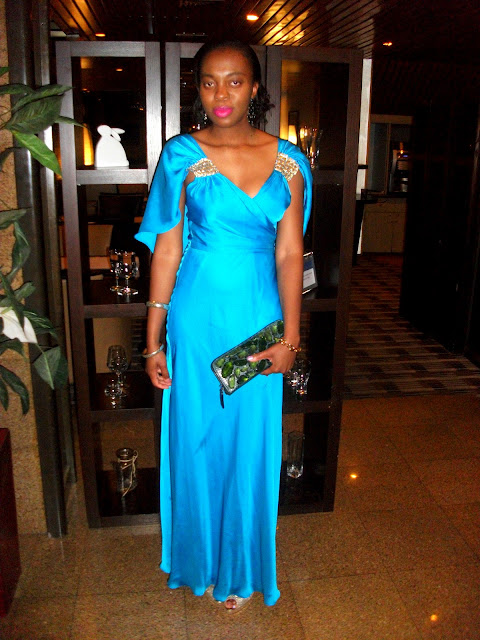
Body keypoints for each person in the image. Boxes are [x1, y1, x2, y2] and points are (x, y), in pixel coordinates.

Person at [135, 39, 312, 611]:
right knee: (196, 438)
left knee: (250, 443)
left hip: (258, 318)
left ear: (255, 88)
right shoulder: (181, 156)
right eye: (209, 81)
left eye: (235, 81)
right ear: (198, 88)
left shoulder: (290, 162)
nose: (221, 93)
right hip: (196, 317)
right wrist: (151, 340)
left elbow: (290, 254)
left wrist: (291, 339)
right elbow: (167, 251)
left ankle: (240, 568)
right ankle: (199, 560)